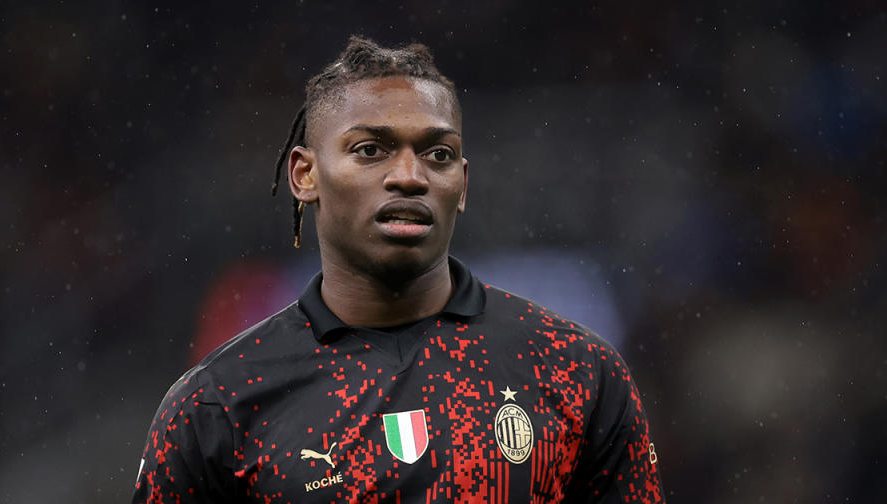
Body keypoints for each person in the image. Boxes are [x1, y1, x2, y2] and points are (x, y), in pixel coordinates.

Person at [132, 36, 665, 503]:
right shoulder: (215, 404)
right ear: (304, 175)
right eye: (371, 150)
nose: (410, 176)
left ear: (463, 182)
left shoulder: (576, 372)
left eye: (437, 154)